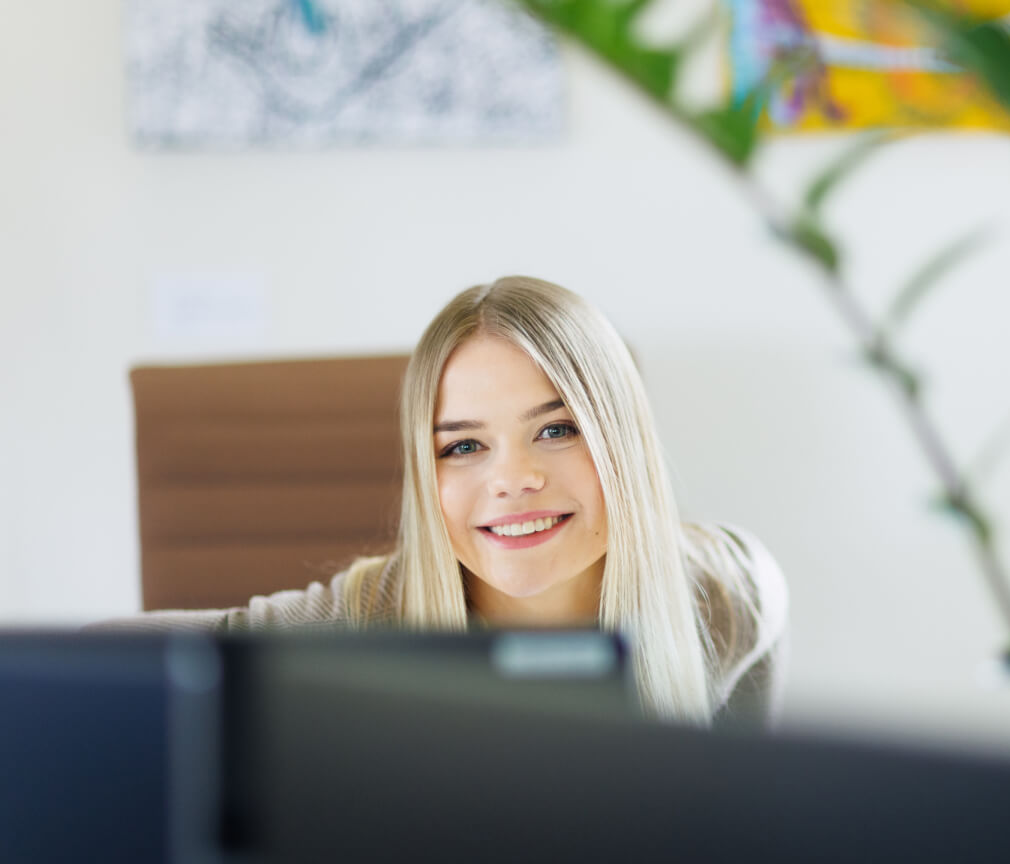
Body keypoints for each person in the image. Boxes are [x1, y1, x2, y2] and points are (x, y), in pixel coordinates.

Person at [102, 276, 788, 727]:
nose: (513, 478)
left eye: (556, 430)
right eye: (462, 447)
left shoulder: (726, 592)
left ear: (623, 441)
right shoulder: (370, 620)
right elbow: (88, 662)